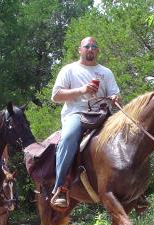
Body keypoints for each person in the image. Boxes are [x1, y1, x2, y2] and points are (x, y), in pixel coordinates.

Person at [50, 36, 121, 209]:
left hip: (102, 113)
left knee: (129, 134)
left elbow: (115, 94)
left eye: (94, 46)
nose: (90, 48)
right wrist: (82, 90)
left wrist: (114, 97)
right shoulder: (69, 70)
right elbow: (56, 96)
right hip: (77, 113)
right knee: (68, 138)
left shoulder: (106, 72)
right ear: (80, 50)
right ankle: (61, 187)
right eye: (87, 46)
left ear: (97, 51)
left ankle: (136, 189)